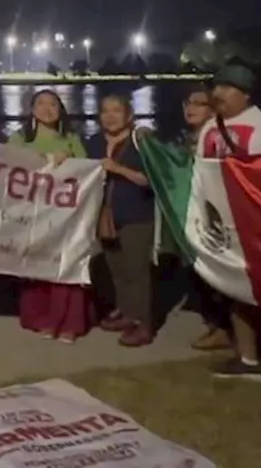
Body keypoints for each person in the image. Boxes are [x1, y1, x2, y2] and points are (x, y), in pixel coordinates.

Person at [196, 64, 261, 384]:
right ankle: (248, 359)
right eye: (216, 87)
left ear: (246, 93)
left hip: (260, 228)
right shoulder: (210, 127)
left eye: (227, 87)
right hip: (223, 227)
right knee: (235, 292)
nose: (218, 93)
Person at [8, 89, 91, 342]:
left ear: (60, 110)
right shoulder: (19, 138)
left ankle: (68, 322)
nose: (47, 109)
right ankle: (42, 319)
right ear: (32, 110)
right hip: (32, 213)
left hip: (65, 215)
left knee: (65, 265)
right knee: (37, 265)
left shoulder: (71, 138)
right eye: (41, 104)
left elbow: (87, 171)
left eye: (53, 104)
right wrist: (47, 159)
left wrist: (67, 162)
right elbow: (9, 164)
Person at [85, 94, 157, 347]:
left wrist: (117, 169)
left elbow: (151, 180)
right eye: (105, 111)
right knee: (117, 270)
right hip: (105, 217)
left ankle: (144, 324)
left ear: (129, 115)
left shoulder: (142, 141)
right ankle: (127, 313)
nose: (111, 115)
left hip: (137, 215)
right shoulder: (93, 142)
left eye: (117, 110)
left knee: (137, 272)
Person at [178, 84, 231, 351]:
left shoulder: (220, 139)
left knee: (217, 274)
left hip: (216, 218)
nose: (190, 108)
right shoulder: (187, 139)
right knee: (198, 272)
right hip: (193, 217)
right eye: (188, 103)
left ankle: (223, 328)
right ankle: (215, 324)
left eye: (199, 103)